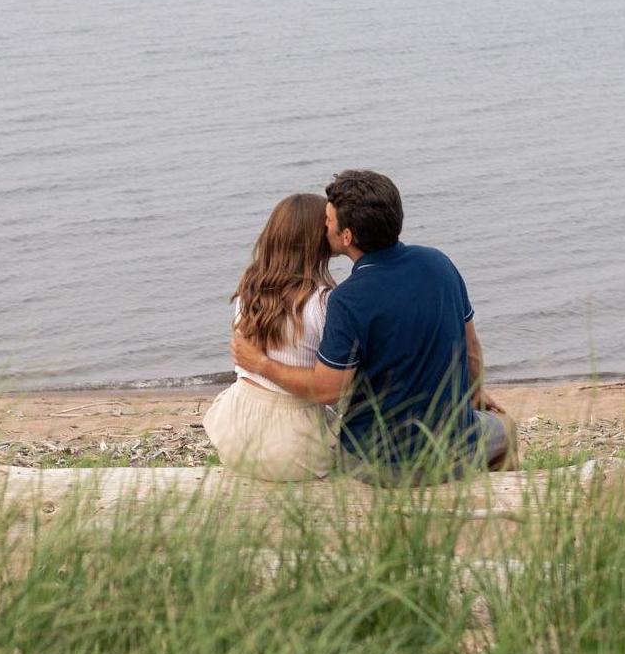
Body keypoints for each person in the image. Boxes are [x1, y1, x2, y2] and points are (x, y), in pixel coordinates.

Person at [231, 169, 517, 481]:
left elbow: (328, 390)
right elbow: (471, 349)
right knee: (506, 428)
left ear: (346, 236)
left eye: (328, 220)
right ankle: (496, 497)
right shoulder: (439, 264)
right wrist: (473, 393)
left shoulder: (347, 300)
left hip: (375, 463)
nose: (323, 225)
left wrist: (261, 364)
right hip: (452, 450)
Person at [203, 193, 339, 480]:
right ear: (317, 240)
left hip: (236, 431)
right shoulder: (324, 301)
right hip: (292, 444)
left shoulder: (249, 290)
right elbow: (331, 386)